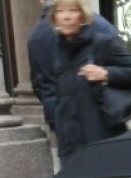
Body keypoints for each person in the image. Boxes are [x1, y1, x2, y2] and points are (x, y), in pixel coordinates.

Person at [43, 0, 131, 162]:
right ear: (54, 17)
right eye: (60, 11)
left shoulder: (101, 44)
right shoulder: (54, 51)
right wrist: (57, 124)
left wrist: (106, 74)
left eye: (72, 10)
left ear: (82, 15)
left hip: (103, 138)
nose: (66, 17)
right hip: (69, 143)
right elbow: (48, 90)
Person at [28, 0, 117, 132]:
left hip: (63, 118)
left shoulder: (35, 35)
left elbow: (38, 83)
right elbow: (122, 65)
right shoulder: (100, 24)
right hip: (102, 112)